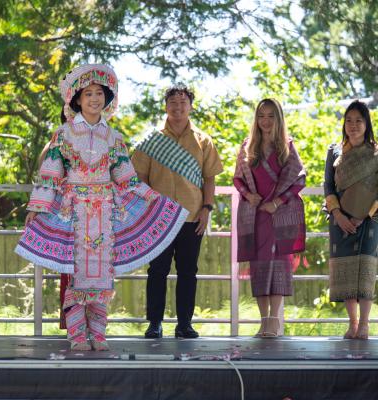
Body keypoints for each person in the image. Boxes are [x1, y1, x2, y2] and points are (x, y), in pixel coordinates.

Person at [15, 64, 188, 351]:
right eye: (88, 94)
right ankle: (77, 335)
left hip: (106, 211)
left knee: (103, 273)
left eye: (99, 93)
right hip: (73, 212)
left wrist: (153, 198)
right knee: (75, 274)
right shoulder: (64, 134)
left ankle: (98, 333)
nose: (94, 99)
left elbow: (126, 178)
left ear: (106, 98)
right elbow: (51, 172)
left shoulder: (114, 138)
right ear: (77, 100)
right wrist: (37, 206)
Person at [132, 85, 223, 339]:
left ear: (191, 106)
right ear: (165, 106)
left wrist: (207, 208)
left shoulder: (203, 141)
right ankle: (154, 324)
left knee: (187, 272)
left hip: (191, 216)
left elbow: (209, 179)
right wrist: (146, 209)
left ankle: (185, 324)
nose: (178, 106)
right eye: (172, 101)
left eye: (183, 102)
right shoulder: (151, 140)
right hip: (158, 217)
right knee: (157, 271)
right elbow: (139, 178)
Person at [233, 98, 306, 338]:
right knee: (259, 267)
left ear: (278, 118)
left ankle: (274, 321)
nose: (265, 121)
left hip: (279, 216)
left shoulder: (287, 146)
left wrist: (278, 202)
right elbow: (237, 179)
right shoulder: (247, 146)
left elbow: (299, 179)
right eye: (261, 116)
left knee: (278, 267)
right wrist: (249, 196)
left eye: (270, 116)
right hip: (255, 217)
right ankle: (263, 322)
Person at [324, 100, 378, 340]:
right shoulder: (335, 152)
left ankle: (365, 324)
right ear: (343, 124)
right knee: (345, 269)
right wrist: (338, 215)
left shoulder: (376, 153)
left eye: (358, 121)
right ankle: (353, 323)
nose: (353, 125)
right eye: (349, 121)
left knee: (365, 269)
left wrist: (362, 215)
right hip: (340, 221)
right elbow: (328, 186)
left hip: (369, 219)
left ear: (367, 124)